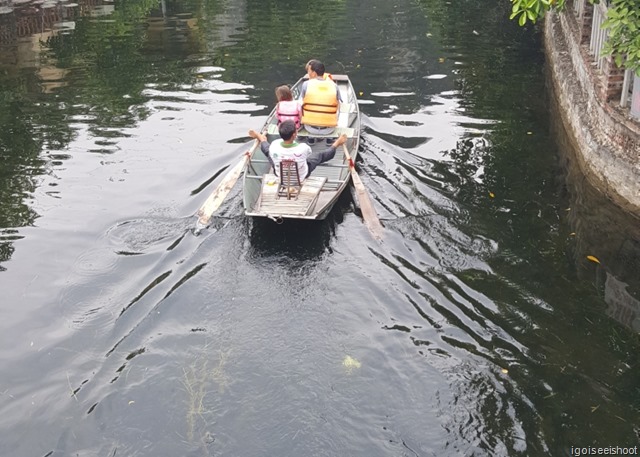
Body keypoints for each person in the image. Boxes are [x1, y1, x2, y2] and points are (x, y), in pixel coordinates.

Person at [248, 120, 346, 180]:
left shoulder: (274, 145)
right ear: (294, 134)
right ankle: (337, 143)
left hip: (280, 175)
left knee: (268, 151)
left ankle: (260, 138)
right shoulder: (303, 148)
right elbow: (309, 154)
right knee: (319, 156)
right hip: (302, 175)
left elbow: (267, 149)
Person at [299, 59, 342, 137]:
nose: (308, 73)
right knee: (337, 103)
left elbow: (300, 103)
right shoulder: (334, 85)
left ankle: (307, 138)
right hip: (329, 129)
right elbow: (339, 104)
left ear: (314, 73)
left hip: (309, 128)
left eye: (309, 71)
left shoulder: (306, 84)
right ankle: (330, 138)